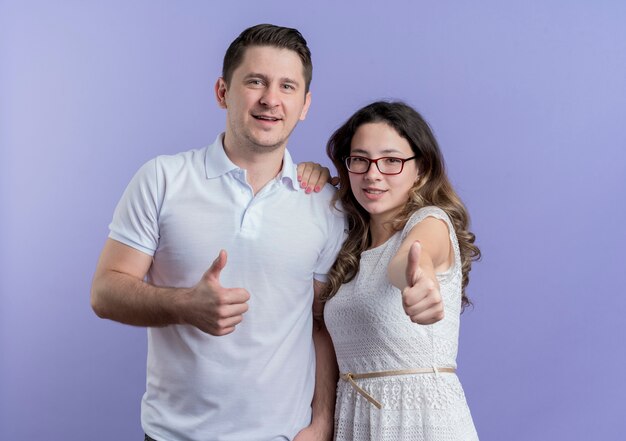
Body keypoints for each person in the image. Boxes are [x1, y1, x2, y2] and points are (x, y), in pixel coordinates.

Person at [91, 24, 345, 441]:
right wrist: (185, 305)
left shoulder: (324, 205)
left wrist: (321, 423)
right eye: (256, 81)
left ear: (305, 104)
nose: (270, 99)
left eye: (287, 86)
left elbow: (321, 326)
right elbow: (105, 292)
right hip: (173, 434)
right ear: (222, 91)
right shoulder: (163, 179)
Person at [322, 101, 481, 440]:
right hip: (355, 418)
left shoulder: (431, 221)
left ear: (421, 169)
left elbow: (412, 258)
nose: (373, 173)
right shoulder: (348, 245)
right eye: (360, 159)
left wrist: (418, 277)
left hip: (420, 420)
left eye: (392, 160)